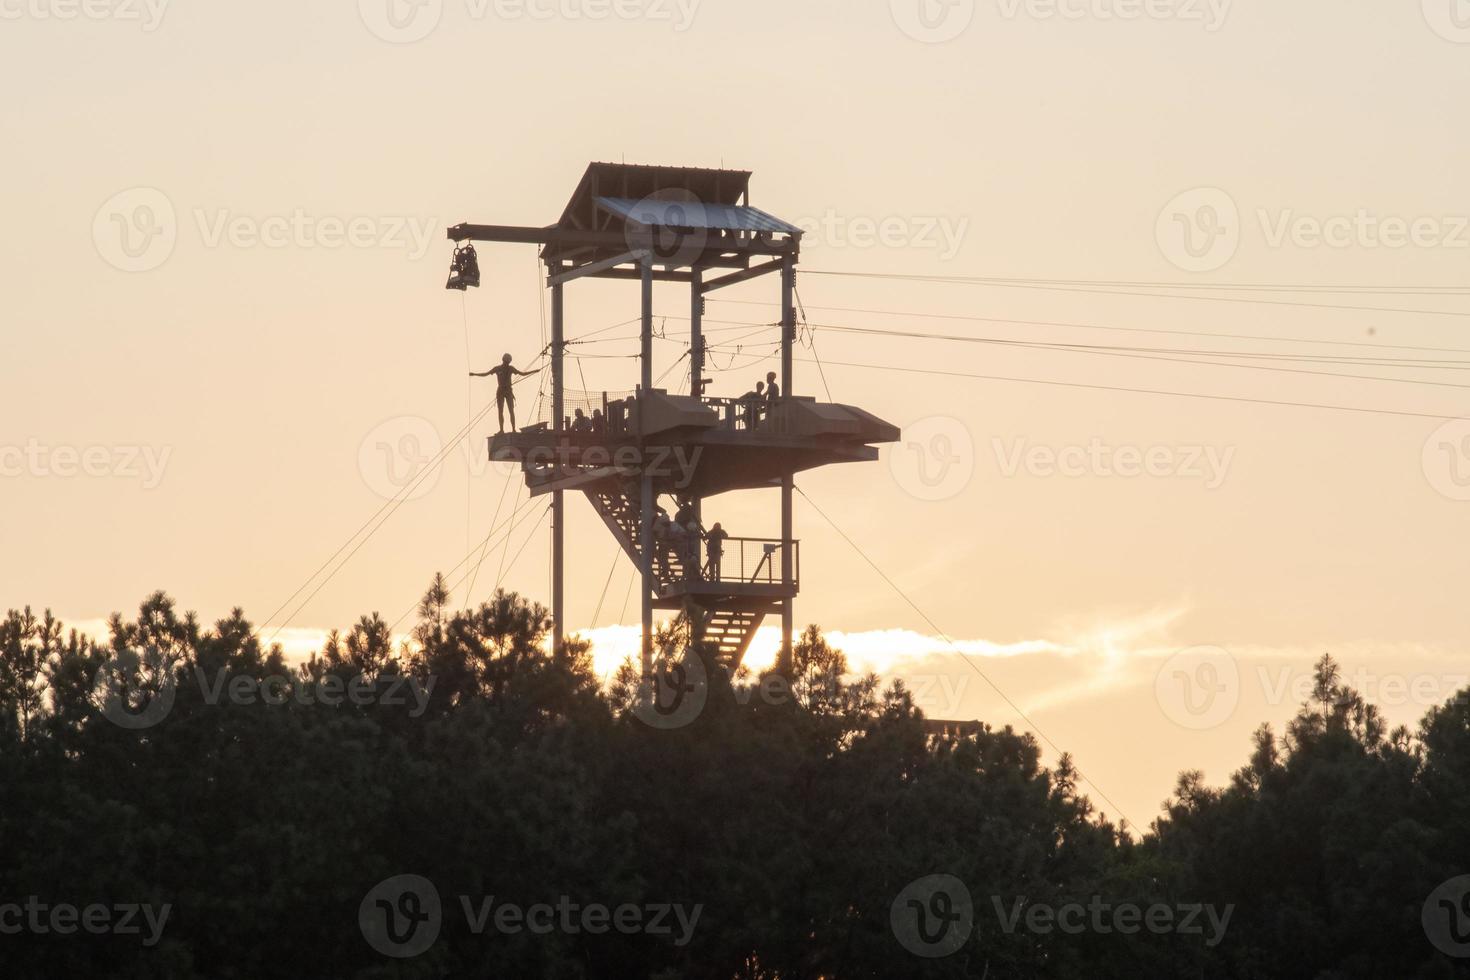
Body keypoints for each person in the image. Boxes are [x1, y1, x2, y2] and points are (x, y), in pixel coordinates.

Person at [470, 353, 541, 433]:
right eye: (507, 362)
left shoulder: (509, 368)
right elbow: (485, 374)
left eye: (508, 362)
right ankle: (502, 429)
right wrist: (474, 374)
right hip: (502, 391)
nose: (507, 363)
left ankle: (512, 429)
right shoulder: (499, 368)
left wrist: (534, 371)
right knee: (502, 411)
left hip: (507, 391)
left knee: (510, 411)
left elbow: (522, 374)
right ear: (504, 360)